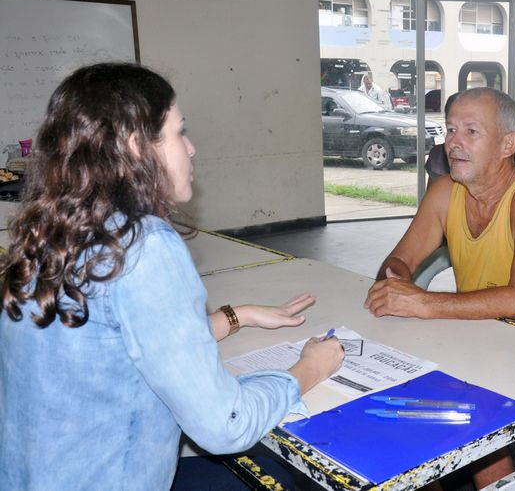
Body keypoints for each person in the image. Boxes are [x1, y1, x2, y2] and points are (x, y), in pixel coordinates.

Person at [0, 63, 344, 489]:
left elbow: (112, 342)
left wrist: (238, 316)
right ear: (135, 145)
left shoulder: (53, 231)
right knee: (280, 477)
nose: (193, 148)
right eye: (180, 132)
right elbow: (226, 425)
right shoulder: (143, 245)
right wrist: (307, 370)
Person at [364, 88, 515, 488]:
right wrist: (395, 281)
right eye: (450, 129)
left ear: (507, 144)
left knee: (458, 410)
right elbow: (400, 260)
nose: (453, 142)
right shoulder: (446, 191)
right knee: (398, 403)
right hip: (480, 334)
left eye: (471, 131)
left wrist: (423, 302)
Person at [425, 92, 459, 189]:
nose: (454, 142)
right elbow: (432, 193)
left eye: (471, 131)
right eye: (452, 130)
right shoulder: (438, 154)